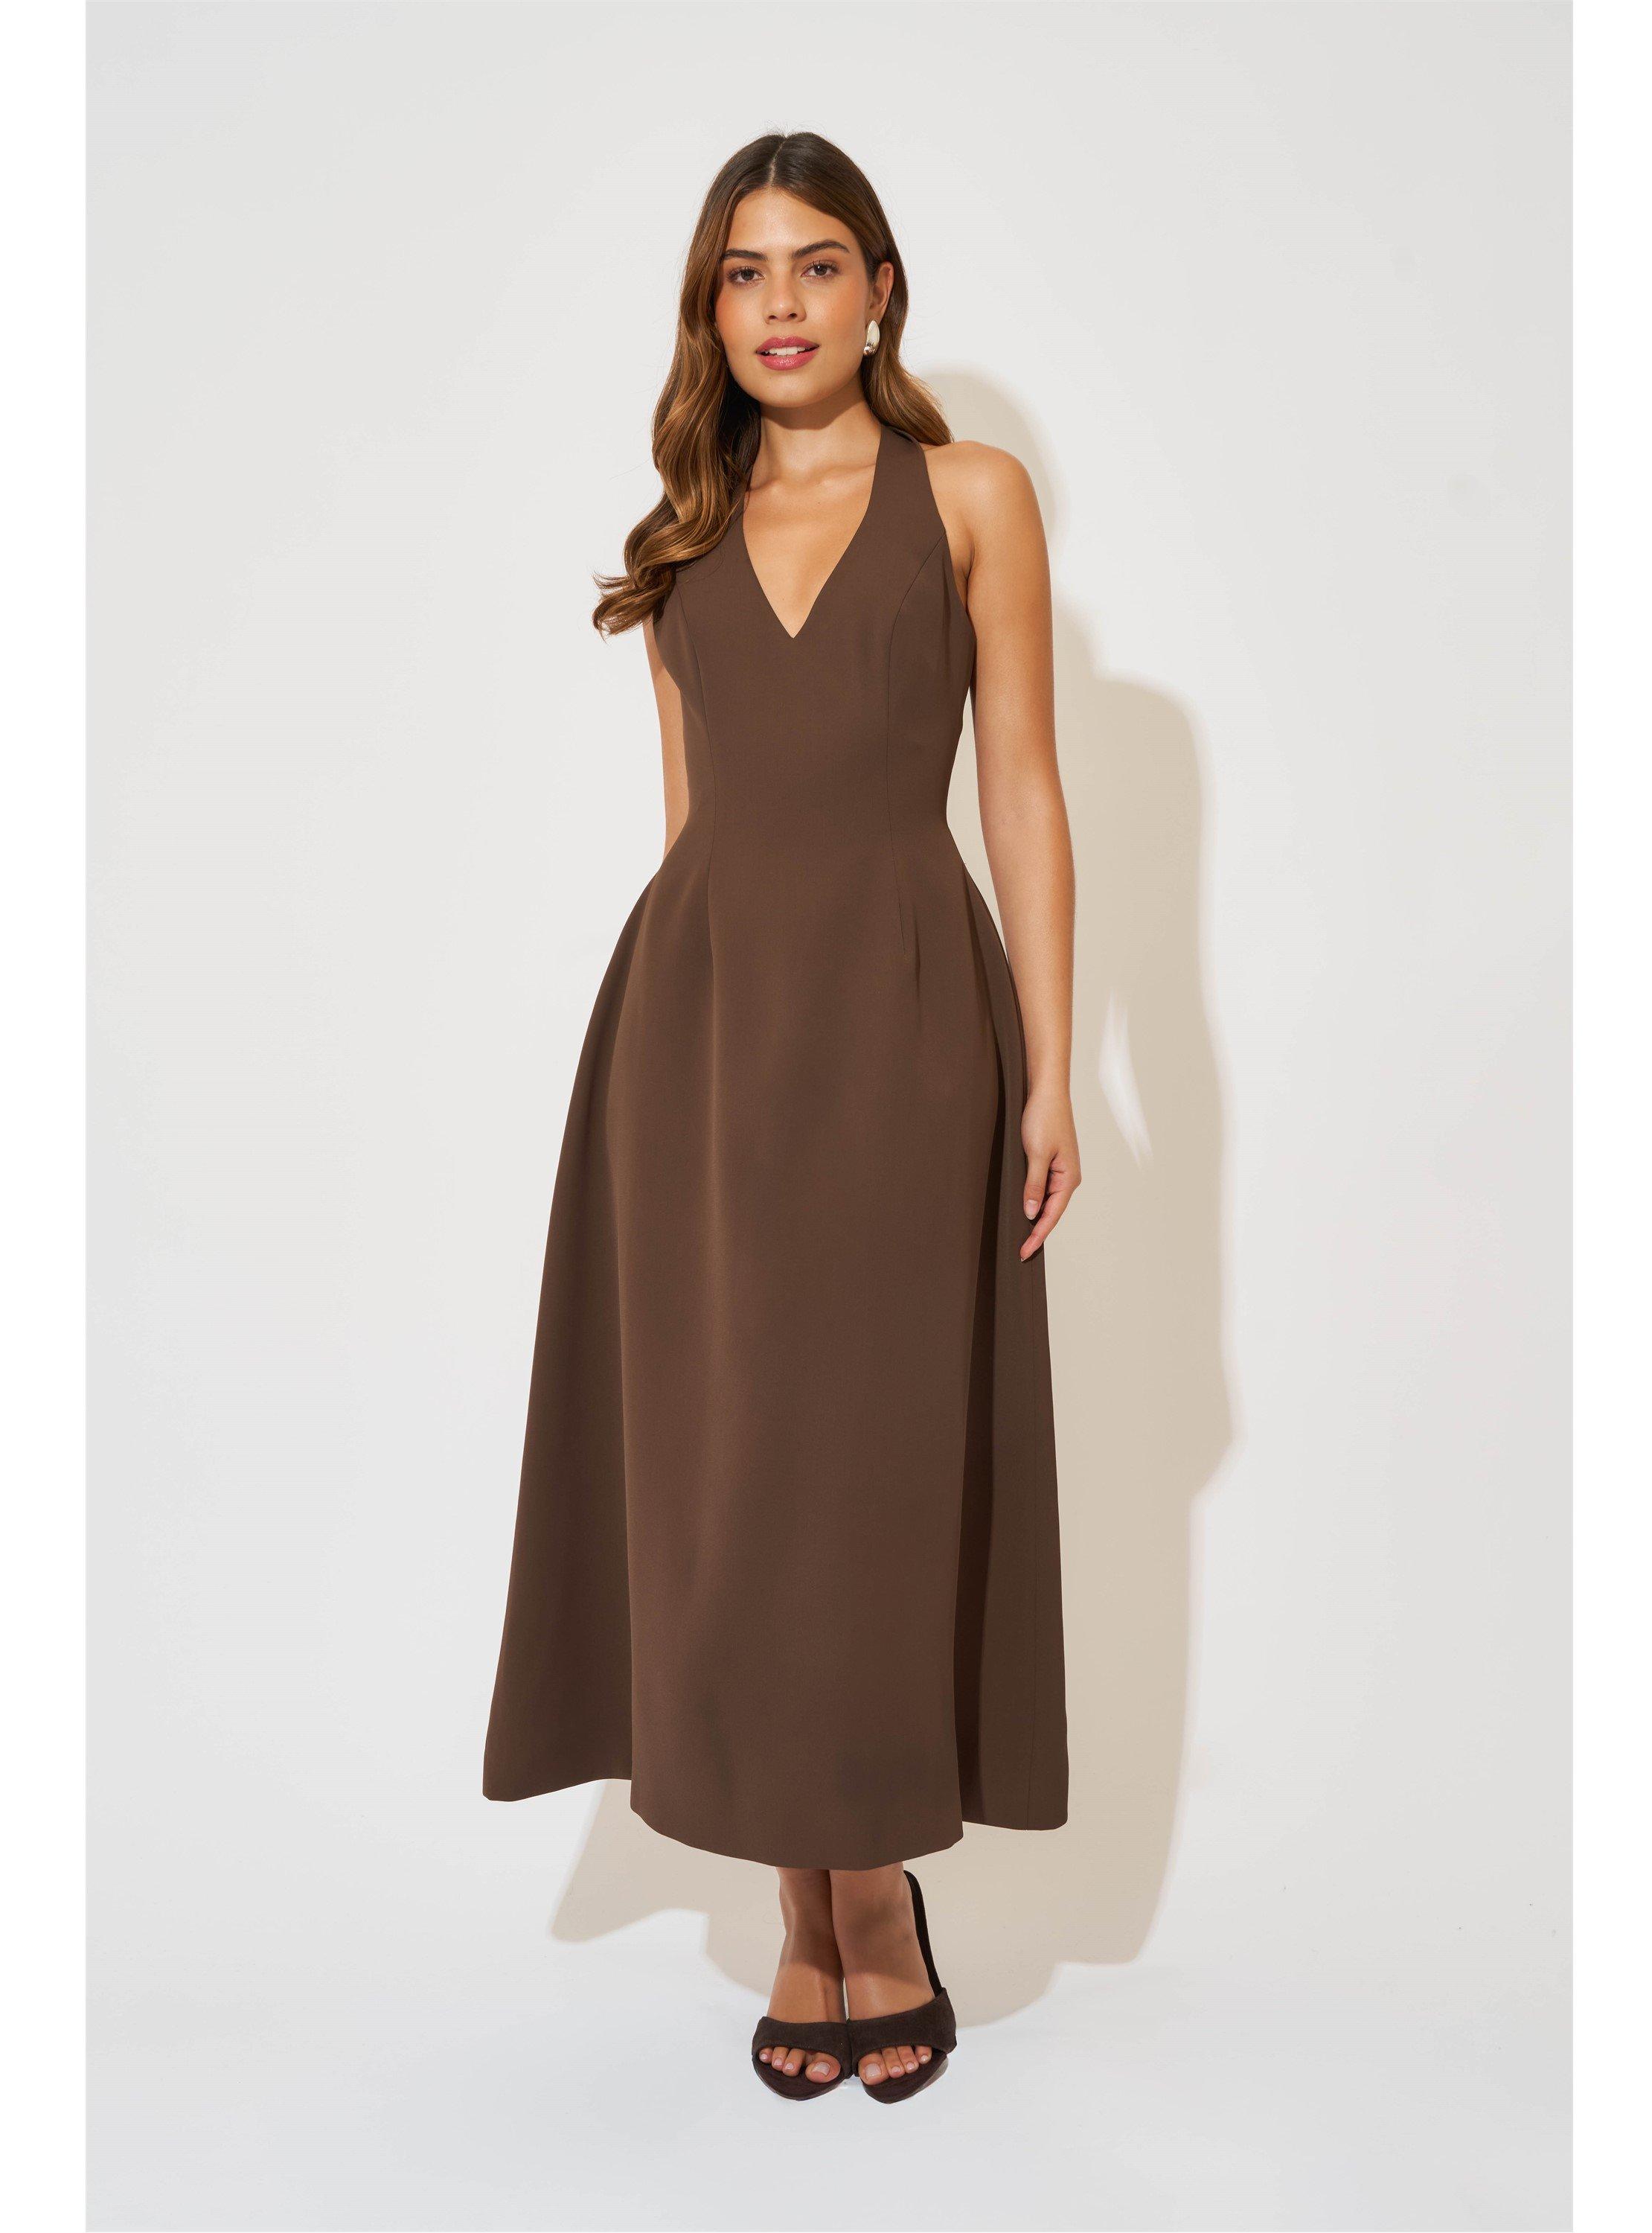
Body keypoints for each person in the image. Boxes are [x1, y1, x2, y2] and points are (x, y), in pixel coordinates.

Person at [481, 130, 1079, 2103]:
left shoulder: (974, 497)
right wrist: (679, 1081)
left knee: (864, 1468)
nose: (782, 305)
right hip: (700, 1041)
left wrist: (1056, 1065)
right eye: (744, 274)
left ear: (882, 292)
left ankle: (874, 1895)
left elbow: (1022, 790)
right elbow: (693, 832)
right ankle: (807, 1913)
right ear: (710, 309)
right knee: (736, 1470)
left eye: (818, 265)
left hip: (906, 1028)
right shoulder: (683, 534)